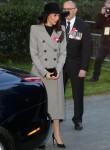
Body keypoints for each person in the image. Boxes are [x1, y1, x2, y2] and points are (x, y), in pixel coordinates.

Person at [30, 2, 68, 149]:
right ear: (47, 15)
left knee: (56, 106)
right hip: (40, 73)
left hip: (56, 73)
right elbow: (33, 53)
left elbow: (63, 53)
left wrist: (57, 70)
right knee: (42, 107)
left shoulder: (61, 30)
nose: (57, 18)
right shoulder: (35, 29)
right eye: (54, 15)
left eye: (58, 15)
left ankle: (56, 135)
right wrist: (45, 72)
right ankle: (42, 137)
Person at [61, 0, 91, 130]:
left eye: (69, 8)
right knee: (57, 93)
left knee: (77, 94)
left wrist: (84, 68)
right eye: (64, 8)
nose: (66, 10)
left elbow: (87, 49)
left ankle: (77, 119)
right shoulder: (58, 22)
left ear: (75, 10)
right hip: (59, 66)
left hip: (76, 66)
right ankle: (57, 115)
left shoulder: (83, 26)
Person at [87, 0, 110, 82]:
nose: (109, 5)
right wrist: (101, 14)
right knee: (98, 59)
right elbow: (96, 26)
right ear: (105, 6)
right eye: (108, 3)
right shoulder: (102, 16)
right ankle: (95, 77)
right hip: (104, 44)